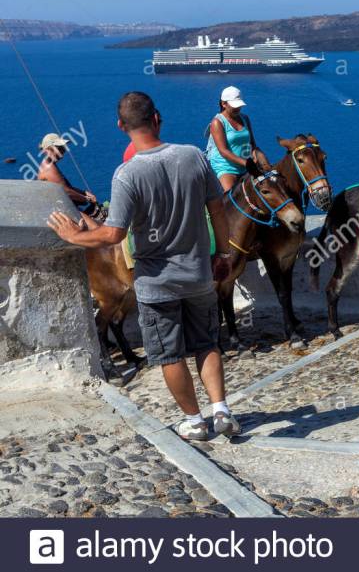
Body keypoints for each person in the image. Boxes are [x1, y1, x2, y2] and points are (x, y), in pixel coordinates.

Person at [47, 91, 241, 442]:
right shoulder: (194, 156)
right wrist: (223, 255)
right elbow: (217, 210)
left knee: (169, 355)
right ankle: (222, 410)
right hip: (198, 273)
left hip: (157, 283)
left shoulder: (127, 174)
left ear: (121, 126)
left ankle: (195, 421)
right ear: (157, 119)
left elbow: (112, 233)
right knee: (207, 343)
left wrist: (73, 235)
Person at [36, 133, 107, 221]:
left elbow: (65, 187)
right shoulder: (48, 168)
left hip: (63, 208)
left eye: (63, 148)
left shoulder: (49, 165)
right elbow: (65, 191)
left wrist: (84, 193)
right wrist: (85, 199)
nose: (62, 152)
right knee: (97, 228)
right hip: (60, 212)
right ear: (47, 150)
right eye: (59, 148)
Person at [205, 85, 257, 192]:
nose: (238, 108)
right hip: (224, 167)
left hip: (245, 165)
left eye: (239, 105)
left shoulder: (245, 118)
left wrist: (256, 157)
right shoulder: (217, 122)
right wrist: (246, 163)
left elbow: (252, 143)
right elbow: (223, 151)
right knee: (230, 199)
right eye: (234, 105)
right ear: (224, 104)